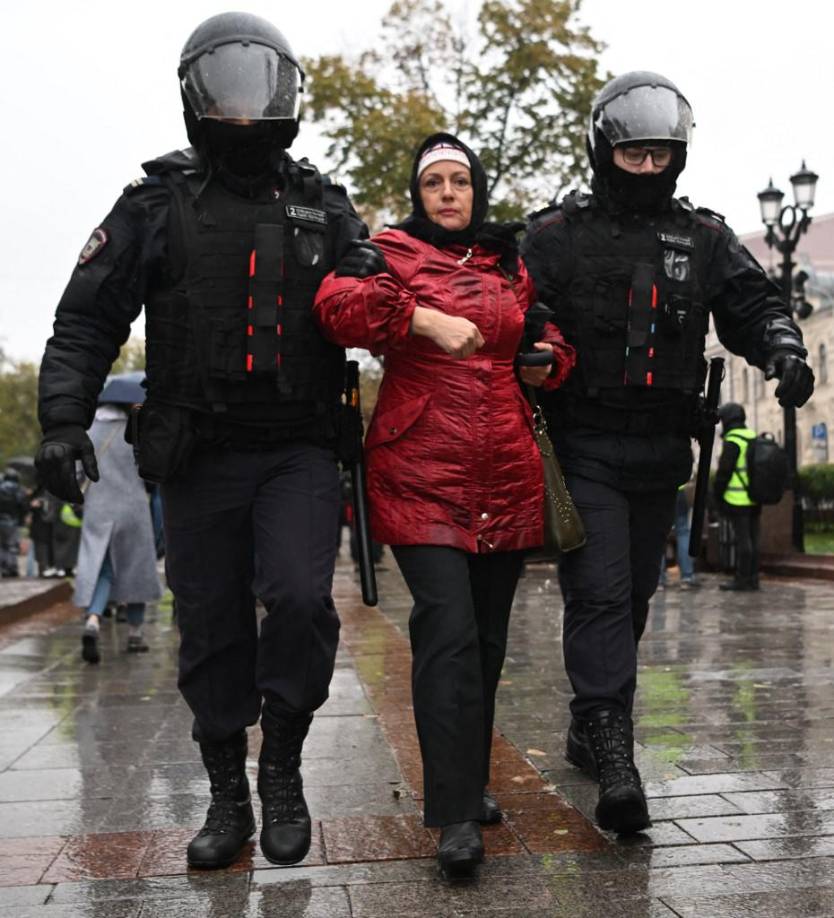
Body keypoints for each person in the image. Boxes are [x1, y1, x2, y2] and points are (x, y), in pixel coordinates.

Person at [35, 12, 366, 871]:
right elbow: (84, 321)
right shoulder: (156, 204)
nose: (248, 109)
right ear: (196, 96)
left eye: (263, 91)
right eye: (231, 91)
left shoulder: (326, 208)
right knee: (212, 627)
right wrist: (64, 420)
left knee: (299, 599)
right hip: (200, 453)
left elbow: (378, 306)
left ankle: (283, 762)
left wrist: (387, 284)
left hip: (297, 447)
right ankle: (228, 792)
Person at [521, 71, 814, 835]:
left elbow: (754, 303)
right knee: (601, 592)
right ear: (603, 151)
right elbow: (509, 303)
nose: (648, 169)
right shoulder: (558, 235)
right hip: (582, 442)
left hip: (662, 450)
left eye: (660, 155)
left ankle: (591, 725)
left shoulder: (704, 238)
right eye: (634, 156)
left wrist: (783, 351)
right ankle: (613, 747)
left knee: (638, 595)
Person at [314, 132, 575, 876]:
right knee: (449, 635)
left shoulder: (507, 263)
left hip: (508, 472)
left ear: (477, 189)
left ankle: (471, 780)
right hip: (419, 470)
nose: (450, 194)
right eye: (436, 184)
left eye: (461, 181)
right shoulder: (389, 251)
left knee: (488, 643)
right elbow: (337, 308)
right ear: (418, 194)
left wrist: (546, 358)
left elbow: (550, 339)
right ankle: (454, 815)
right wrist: (422, 321)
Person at [74, 403, 162, 663]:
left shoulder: (87, 432)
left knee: (103, 569)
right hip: (133, 508)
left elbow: (77, 475)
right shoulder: (135, 431)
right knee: (136, 569)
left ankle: (92, 619)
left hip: (98, 508)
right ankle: (135, 634)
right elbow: (151, 473)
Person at [714, 403, 761, 591]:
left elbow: (724, 472)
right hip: (755, 498)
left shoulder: (733, 440)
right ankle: (753, 577)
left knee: (744, 542)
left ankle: (742, 579)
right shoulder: (752, 436)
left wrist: (716, 495)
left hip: (738, 499)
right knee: (753, 540)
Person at [658, 484, 697, 590]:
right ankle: (687, 577)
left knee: (658, 532)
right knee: (683, 531)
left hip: (659, 488)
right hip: (681, 487)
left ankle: (659, 579)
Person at [0, 469, 27, 577]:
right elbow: (23, 506)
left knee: (1, 546)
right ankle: (12, 568)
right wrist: (22, 519)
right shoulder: (18, 490)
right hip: (12, 522)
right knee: (12, 546)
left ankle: (3, 568)